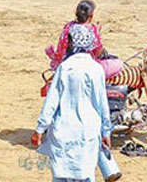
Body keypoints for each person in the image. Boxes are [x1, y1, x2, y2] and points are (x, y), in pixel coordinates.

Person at [32, 22, 112, 182]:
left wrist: (40, 128)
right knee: (86, 174)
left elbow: (52, 101)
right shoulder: (97, 69)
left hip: (64, 132)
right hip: (88, 132)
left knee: (62, 176)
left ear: (71, 43)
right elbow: (103, 103)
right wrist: (106, 132)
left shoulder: (65, 67)